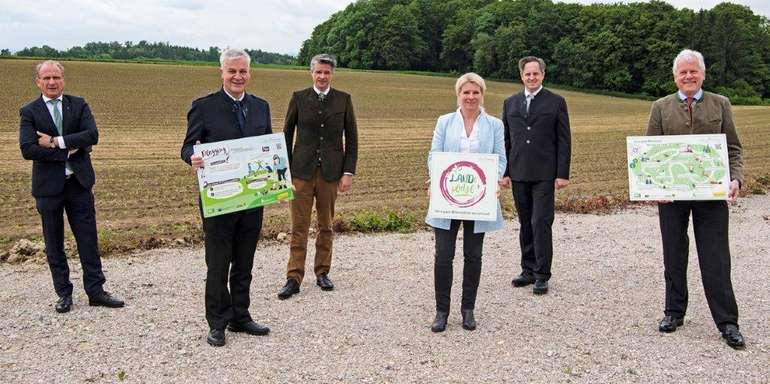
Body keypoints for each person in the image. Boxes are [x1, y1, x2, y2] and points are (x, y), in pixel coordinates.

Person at [647, 49, 745, 349]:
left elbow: (734, 150)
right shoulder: (661, 107)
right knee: (673, 254)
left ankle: (727, 321)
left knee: (716, 257)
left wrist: (736, 179)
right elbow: (650, 153)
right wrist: (653, 189)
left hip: (711, 196)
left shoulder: (720, 104)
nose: (688, 76)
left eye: (693, 71)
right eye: (682, 73)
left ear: (702, 74)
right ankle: (673, 313)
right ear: (675, 77)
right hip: (671, 197)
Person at [181, 48, 272, 347]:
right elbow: (187, 148)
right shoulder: (203, 107)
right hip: (219, 199)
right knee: (218, 263)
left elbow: (267, 146)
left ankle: (241, 316)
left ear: (249, 72)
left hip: (252, 199)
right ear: (221, 72)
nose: (238, 76)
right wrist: (193, 157)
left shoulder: (261, 107)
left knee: (245, 260)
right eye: (232, 71)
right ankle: (217, 322)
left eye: (243, 71)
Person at [19, 60, 125, 314]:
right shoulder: (29, 111)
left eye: (56, 77)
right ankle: (64, 293)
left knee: (88, 239)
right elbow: (28, 149)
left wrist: (55, 142)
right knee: (54, 242)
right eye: (47, 78)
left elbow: (92, 136)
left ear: (63, 80)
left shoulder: (78, 104)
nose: (52, 82)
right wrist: (69, 152)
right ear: (38, 82)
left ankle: (96, 291)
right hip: (48, 188)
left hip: (79, 184)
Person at [426, 73, 507, 332]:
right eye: (466, 92)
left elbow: (500, 159)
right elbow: (434, 155)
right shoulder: (444, 122)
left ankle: (468, 309)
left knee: (473, 255)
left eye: (476, 93)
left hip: (478, 200)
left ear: (482, 95)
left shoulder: (494, 125)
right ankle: (441, 311)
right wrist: (434, 178)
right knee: (443, 255)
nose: (471, 97)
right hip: (447, 199)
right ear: (458, 94)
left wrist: (494, 181)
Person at [278, 54, 358, 299]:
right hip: (300, 172)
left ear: (331, 74)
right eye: (318, 72)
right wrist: (285, 173)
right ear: (311, 73)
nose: (322, 76)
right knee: (299, 227)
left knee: (326, 225)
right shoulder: (299, 98)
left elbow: (352, 138)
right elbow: (286, 135)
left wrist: (348, 172)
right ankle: (294, 277)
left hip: (331, 174)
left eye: (327, 73)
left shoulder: (343, 100)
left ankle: (323, 272)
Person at [502, 56, 571, 295]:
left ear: (543, 74)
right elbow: (506, 141)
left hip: (545, 173)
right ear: (521, 76)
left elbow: (564, 140)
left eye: (535, 74)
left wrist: (562, 174)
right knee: (525, 222)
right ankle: (528, 269)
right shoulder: (510, 103)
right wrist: (505, 171)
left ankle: (542, 273)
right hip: (519, 172)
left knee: (541, 221)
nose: (531, 77)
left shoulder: (556, 102)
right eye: (527, 74)